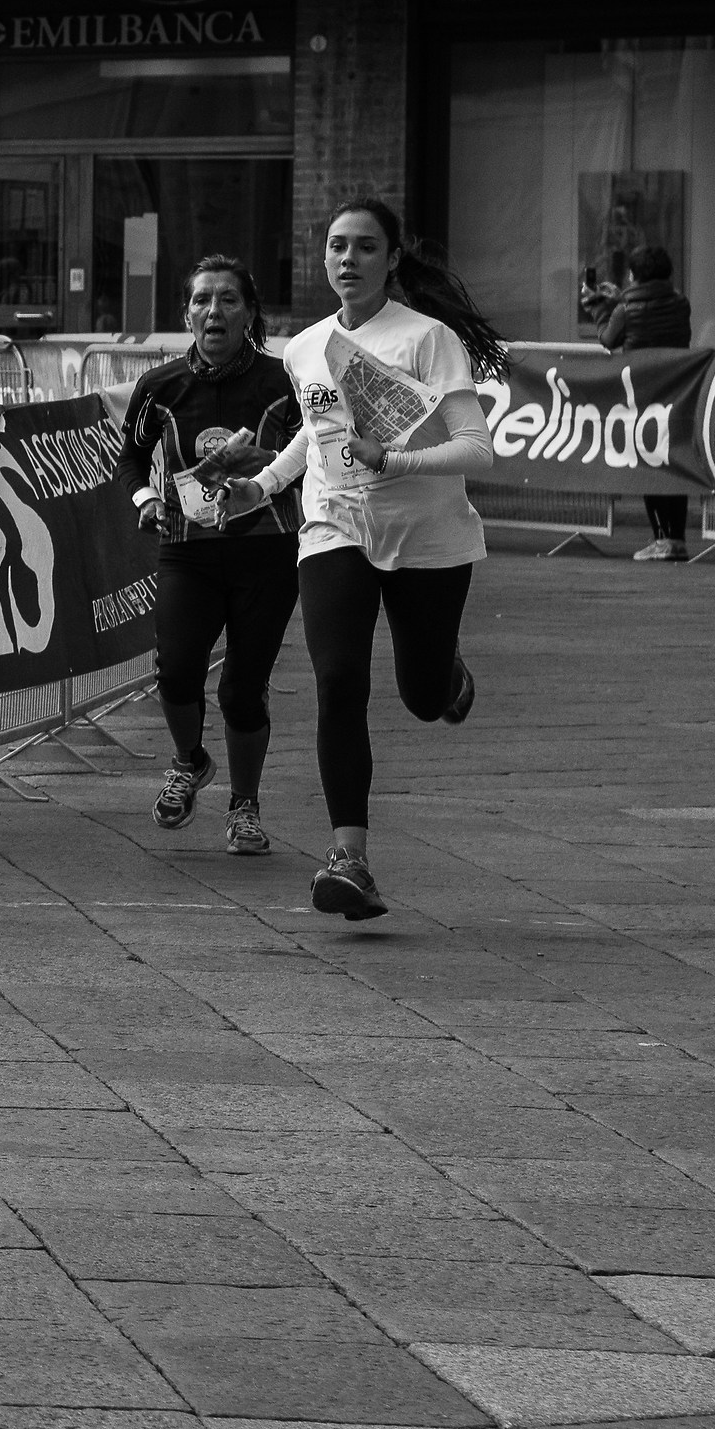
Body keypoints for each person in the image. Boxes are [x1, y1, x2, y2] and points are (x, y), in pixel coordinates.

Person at [221, 197, 505, 922]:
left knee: (418, 695)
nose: (348, 259)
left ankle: (444, 673)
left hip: (428, 537)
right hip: (333, 524)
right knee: (338, 678)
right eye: (337, 247)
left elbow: (477, 448)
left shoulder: (426, 339)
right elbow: (313, 437)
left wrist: (396, 457)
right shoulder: (304, 347)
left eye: (365, 248)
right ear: (322, 258)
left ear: (391, 260)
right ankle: (348, 857)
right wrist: (261, 484)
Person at [118, 258, 302, 858]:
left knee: (242, 692)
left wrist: (266, 468)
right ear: (186, 314)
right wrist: (147, 497)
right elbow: (130, 458)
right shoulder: (160, 386)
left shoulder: (286, 382)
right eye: (201, 301)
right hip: (187, 550)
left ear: (250, 313)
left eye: (227, 300)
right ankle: (189, 760)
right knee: (174, 669)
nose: (213, 311)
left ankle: (244, 807)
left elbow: (321, 456)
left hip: (266, 551)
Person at [599, 246, 695, 562]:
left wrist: (604, 308)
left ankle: (660, 540)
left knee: (647, 462)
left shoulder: (625, 308)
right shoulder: (681, 303)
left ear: (634, 275)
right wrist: (619, 300)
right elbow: (657, 317)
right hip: (677, 391)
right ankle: (677, 540)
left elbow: (608, 339)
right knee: (672, 461)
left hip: (640, 395)